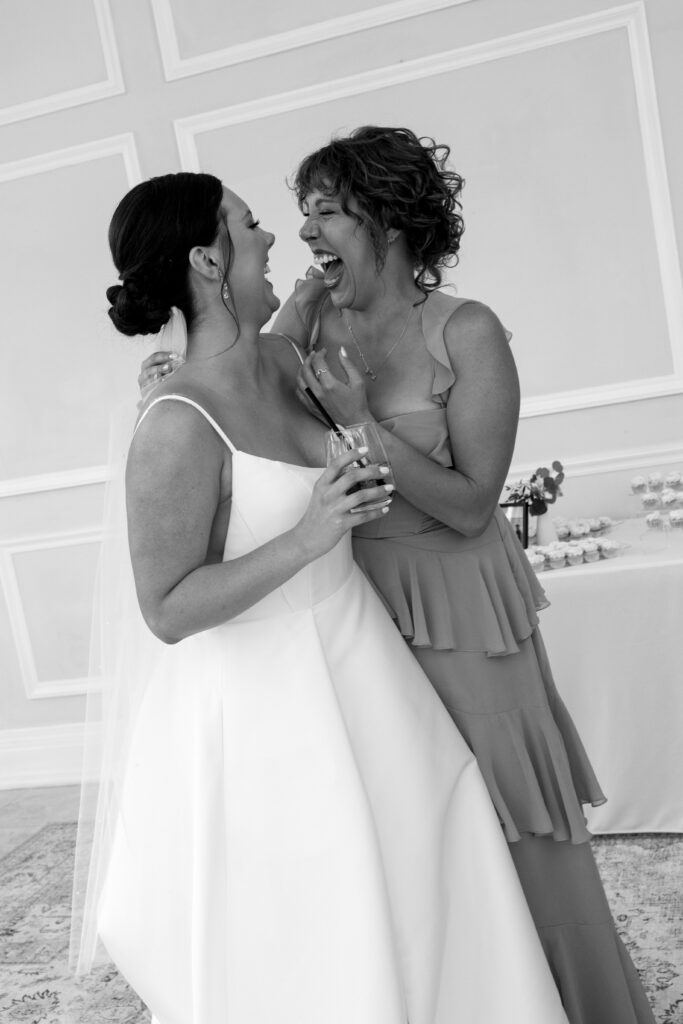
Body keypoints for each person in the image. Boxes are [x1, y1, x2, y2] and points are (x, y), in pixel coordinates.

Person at [76, 170, 569, 1024]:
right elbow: (165, 610)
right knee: (325, 925)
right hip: (269, 708)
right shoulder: (174, 422)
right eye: (252, 224)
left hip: (367, 665)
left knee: (432, 879)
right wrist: (308, 536)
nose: (274, 239)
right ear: (205, 257)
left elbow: (313, 289)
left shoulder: (282, 357)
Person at [275, 125, 657, 1024]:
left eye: (326, 212)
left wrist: (362, 423)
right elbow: (239, 395)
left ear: (389, 218)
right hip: (358, 610)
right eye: (301, 215)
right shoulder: (312, 321)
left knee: (520, 834)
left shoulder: (469, 332)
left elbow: (471, 503)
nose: (306, 233)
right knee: (412, 842)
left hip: (467, 617)